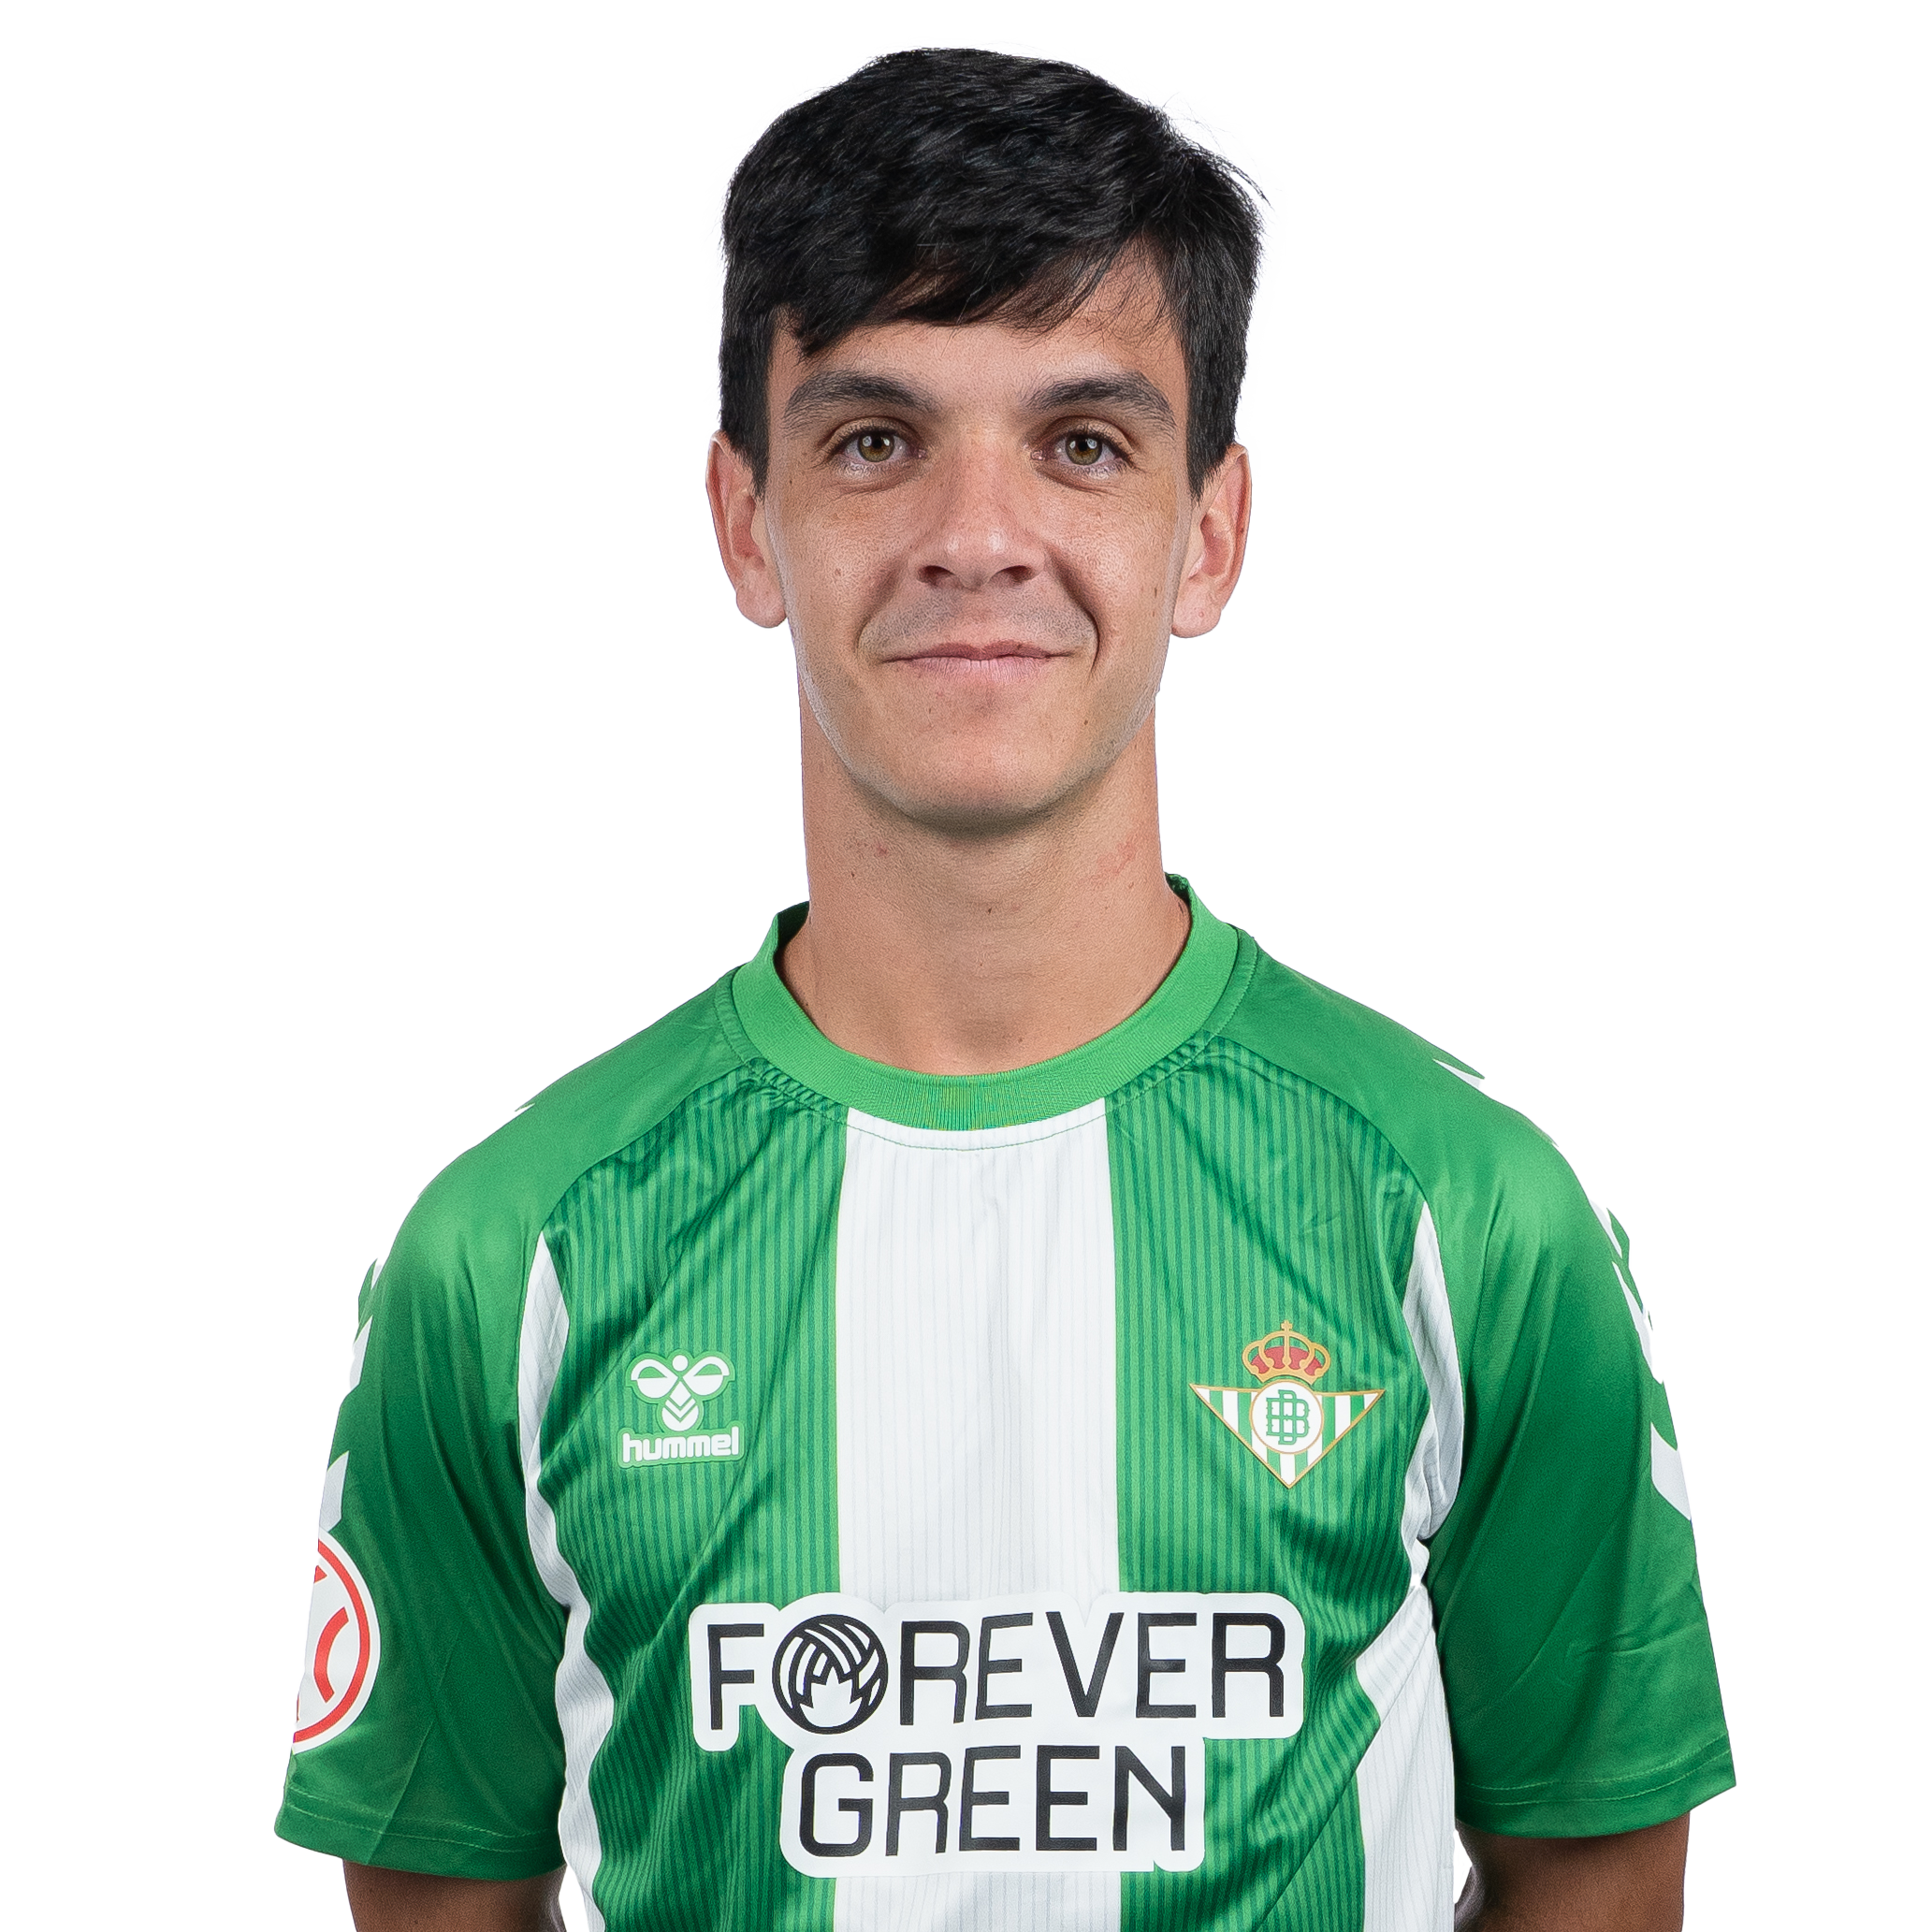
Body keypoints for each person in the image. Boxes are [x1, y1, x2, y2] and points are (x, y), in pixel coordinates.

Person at [274, 45, 1733, 1932]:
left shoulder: (1470, 1215)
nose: (978, 535)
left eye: (1084, 442)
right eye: (876, 441)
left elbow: (1598, 1878)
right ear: (745, 518)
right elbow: (435, 1899)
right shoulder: (508, 1257)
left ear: (1210, 530)